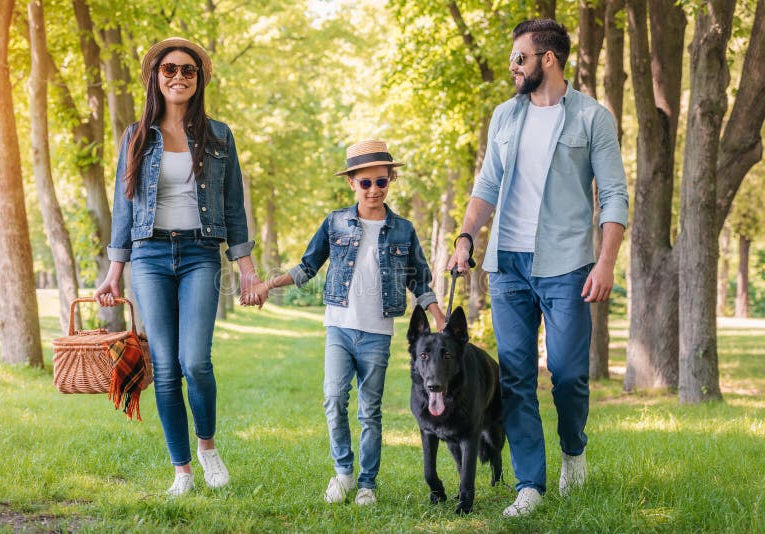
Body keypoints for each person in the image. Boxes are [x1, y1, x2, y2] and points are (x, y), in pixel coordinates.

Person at [448, 19, 628, 517]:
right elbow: (486, 185)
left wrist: (606, 262)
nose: (513, 66)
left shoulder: (593, 118)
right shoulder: (505, 117)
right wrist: (466, 237)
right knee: (516, 379)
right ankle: (531, 483)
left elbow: (614, 194)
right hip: (507, 265)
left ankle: (573, 450)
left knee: (569, 376)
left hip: (568, 263)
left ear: (548, 59)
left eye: (520, 58)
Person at [95, 37, 264, 496]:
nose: (178, 77)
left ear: (198, 79)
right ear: (156, 77)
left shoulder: (220, 136)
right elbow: (124, 208)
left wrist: (247, 269)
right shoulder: (136, 135)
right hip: (149, 256)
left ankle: (207, 447)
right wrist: (114, 272)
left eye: (188, 70)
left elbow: (233, 209)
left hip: (200, 254)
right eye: (169, 69)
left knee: (196, 362)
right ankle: (182, 470)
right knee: (165, 368)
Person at [242, 140, 446, 506]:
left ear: (390, 181)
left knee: (370, 410)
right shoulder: (336, 222)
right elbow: (307, 266)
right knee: (334, 399)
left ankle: (367, 484)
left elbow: (419, 279)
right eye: (365, 183)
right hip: (339, 327)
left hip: (378, 333)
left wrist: (436, 312)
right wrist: (267, 284)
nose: (373, 190)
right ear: (351, 183)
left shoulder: (403, 230)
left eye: (380, 182)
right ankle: (344, 474)